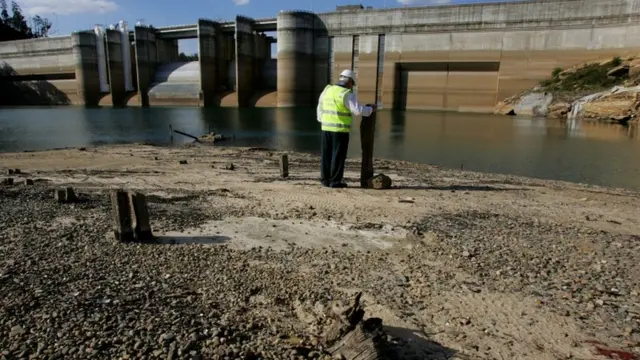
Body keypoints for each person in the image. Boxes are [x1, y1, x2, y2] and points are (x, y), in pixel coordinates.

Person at [316, 69, 375, 188]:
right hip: (340, 131)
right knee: (338, 156)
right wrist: (371, 109)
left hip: (326, 128)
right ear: (349, 82)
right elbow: (358, 111)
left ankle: (325, 179)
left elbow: (320, 107)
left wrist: (323, 120)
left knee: (326, 155)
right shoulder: (346, 94)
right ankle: (335, 181)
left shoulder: (327, 90)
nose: (352, 86)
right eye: (352, 84)